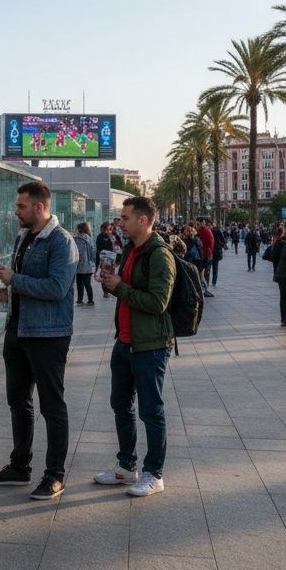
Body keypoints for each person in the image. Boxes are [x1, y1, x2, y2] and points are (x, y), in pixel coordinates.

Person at [0, 182, 78, 500]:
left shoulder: (61, 242)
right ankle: (19, 466)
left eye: (21, 207)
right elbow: (24, 282)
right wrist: (7, 291)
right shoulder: (23, 238)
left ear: (39, 207)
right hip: (18, 330)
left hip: (48, 335)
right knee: (18, 401)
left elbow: (57, 288)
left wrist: (15, 280)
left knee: (52, 406)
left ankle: (55, 475)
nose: (16, 211)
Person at [94, 197, 175, 498]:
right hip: (124, 341)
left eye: (126, 218)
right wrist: (110, 283)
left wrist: (122, 287)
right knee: (120, 404)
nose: (120, 223)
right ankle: (127, 466)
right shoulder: (130, 249)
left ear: (143, 220)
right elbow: (126, 291)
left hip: (150, 344)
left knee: (151, 410)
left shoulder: (159, 255)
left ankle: (155, 473)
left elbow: (158, 302)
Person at [74, 221, 95, 305]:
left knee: (79, 284)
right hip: (88, 265)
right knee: (88, 284)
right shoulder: (90, 239)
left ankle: (80, 299)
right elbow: (92, 252)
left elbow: (76, 252)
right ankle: (90, 300)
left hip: (79, 266)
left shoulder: (76, 239)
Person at [195, 219, 215, 296]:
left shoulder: (207, 231)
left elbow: (211, 244)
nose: (198, 225)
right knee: (201, 273)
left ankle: (205, 289)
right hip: (202, 255)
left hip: (206, 256)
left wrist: (207, 253)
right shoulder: (199, 232)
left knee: (206, 273)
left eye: (199, 223)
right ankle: (202, 288)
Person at [209, 219, 225, 287]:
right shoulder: (217, 231)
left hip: (214, 252)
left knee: (212, 268)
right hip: (214, 252)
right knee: (214, 268)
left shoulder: (215, 231)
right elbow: (223, 240)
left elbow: (223, 240)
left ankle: (212, 282)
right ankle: (213, 282)